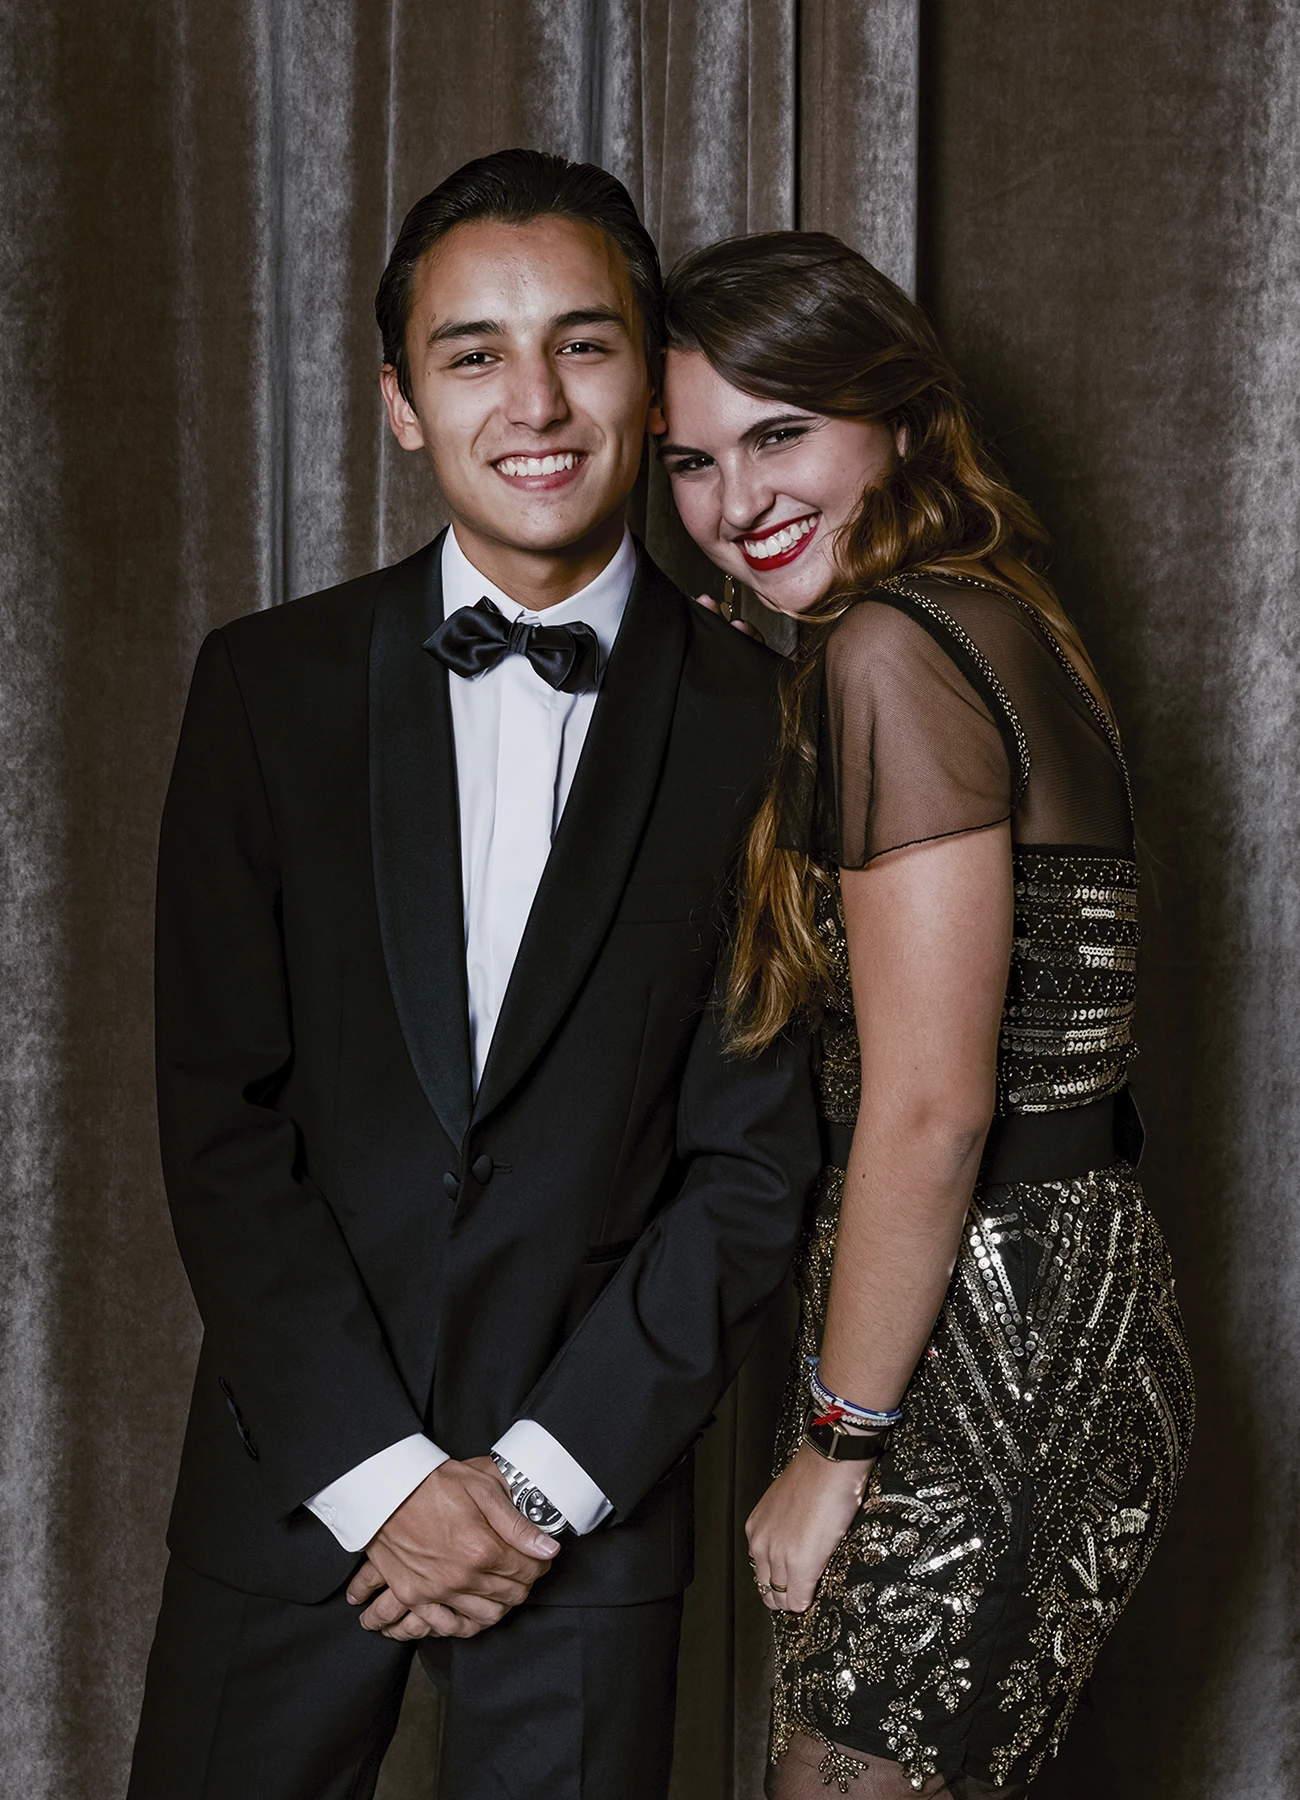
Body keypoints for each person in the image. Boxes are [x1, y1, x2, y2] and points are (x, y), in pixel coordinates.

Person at [127, 152, 819, 1800]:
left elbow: (753, 1166)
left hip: (588, 1501)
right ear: (399, 402)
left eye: (583, 344)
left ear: (653, 382)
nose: (535, 404)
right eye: (473, 353)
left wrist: (536, 1485)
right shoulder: (266, 689)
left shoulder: (772, 726)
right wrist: (380, 1478)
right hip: (296, 1479)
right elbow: (219, 1121)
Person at [657, 232, 1195, 1799]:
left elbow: (932, 1105)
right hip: (1047, 1301)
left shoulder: (894, 649)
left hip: (988, 1339)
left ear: (896, 418)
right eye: (691, 461)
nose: (736, 500)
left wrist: (837, 1447)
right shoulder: (996, 618)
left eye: (780, 435)